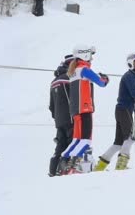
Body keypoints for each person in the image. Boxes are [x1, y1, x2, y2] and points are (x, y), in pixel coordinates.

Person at [94, 52, 135, 171]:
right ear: (131, 63)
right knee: (129, 138)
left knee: (118, 143)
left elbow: (134, 98)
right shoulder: (129, 76)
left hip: (122, 110)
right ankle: (121, 166)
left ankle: (99, 167)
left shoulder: (134, 77)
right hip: (124, 110)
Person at [57, 44, 109, 175]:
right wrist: (105, 79)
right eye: (90, 55)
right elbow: (101, 83)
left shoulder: (73, 71)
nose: (92, 58)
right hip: (85, 109)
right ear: (85, 55)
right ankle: (73, 163)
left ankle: (64, 160)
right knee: (86, 141)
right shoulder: (84, 69)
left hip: (75, 111)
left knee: (77, 140)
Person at [48, 54, 74, 177]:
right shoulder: (69, 78)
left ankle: (52, 171)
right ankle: (65, 170)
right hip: (70, 118)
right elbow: (74, 99)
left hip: (59, 121)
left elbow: (51, 106)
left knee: (60, 146)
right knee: (72, 144)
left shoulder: (54, 82)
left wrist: (57, 118)